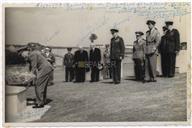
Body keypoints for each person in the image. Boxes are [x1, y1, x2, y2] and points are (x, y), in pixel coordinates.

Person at [21, 43, 54, 108]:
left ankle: (39, 103)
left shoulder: (32, 54)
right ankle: (42, 100)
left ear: (29, 49)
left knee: (38, 84)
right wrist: (30, 75)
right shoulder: (35, 53)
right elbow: (31, 67)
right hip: (47, 68)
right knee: (42, 85)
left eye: (24, 55)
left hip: (44, 69)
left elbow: (33, 67)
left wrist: (28, 78)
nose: (24, 56)